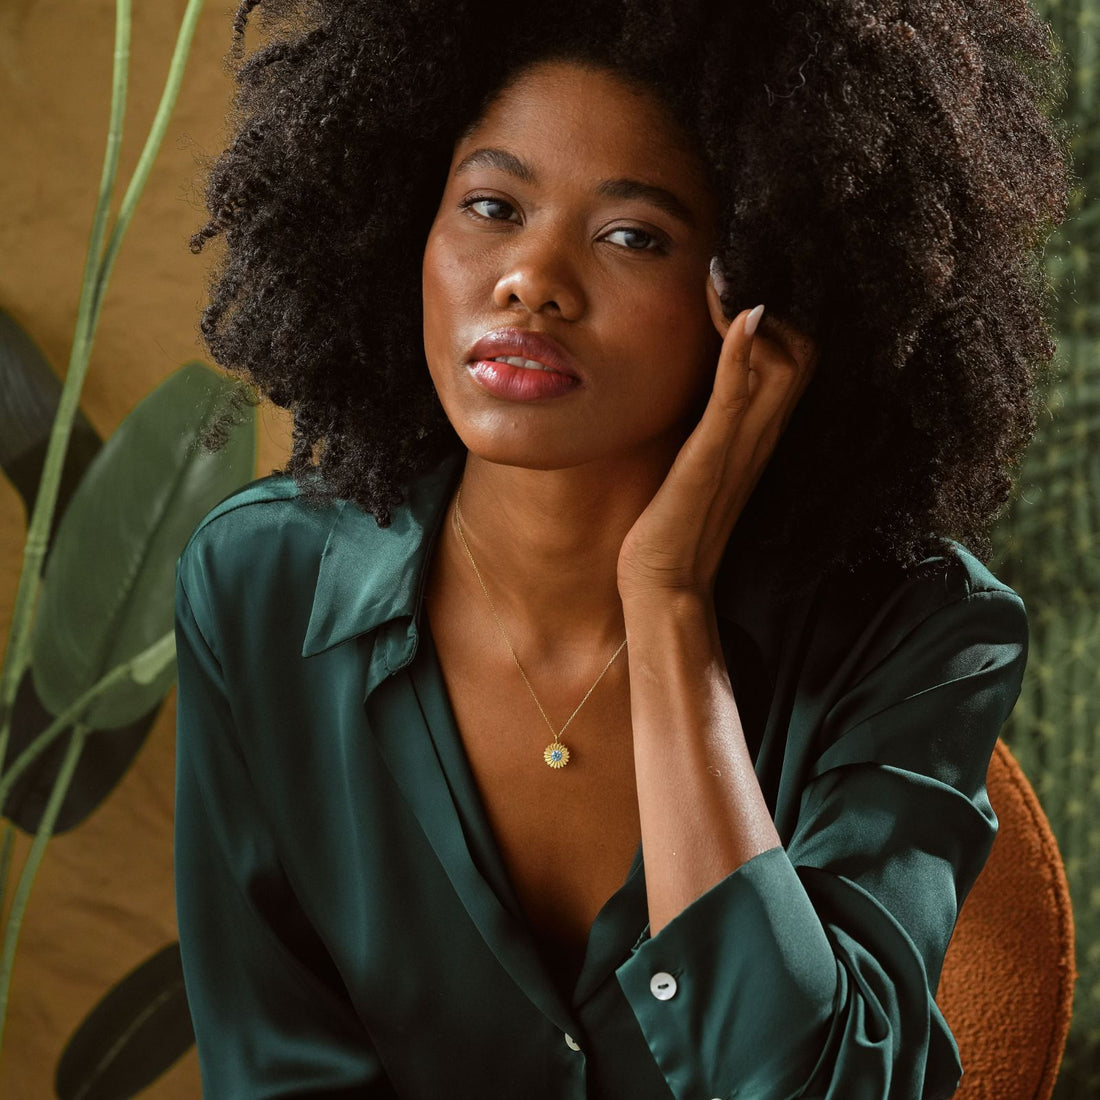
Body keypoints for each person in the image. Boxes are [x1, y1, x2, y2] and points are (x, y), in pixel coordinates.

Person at [174, 1, 1071, 1096]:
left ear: (762, 295)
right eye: (492, 206)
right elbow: (276, 1069)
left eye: (631, 235)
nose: (530, 279)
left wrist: (668, 605)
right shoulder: (259, 588)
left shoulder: (923, 635)